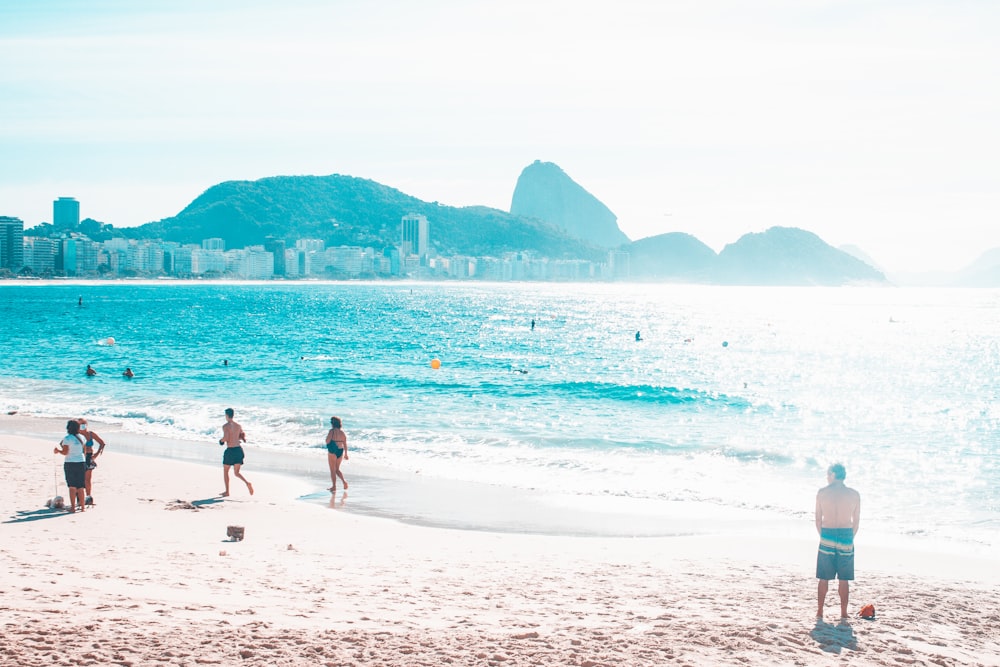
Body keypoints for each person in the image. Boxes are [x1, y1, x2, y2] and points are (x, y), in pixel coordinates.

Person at [815, 463, 861, 621]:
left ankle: (820, 611)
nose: (827, 477)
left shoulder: (822, 493)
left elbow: (818, 520)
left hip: (827, 533)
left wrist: (824, 536)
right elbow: (856, 523)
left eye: (828, 474)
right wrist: (849, 537)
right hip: (846, 535)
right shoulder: (854, 494)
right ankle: (843, 612)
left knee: (824, 577)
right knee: (844, 578)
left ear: (833, 474)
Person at [53, 419, 87, 513]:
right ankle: (83, 507)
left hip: (70, 462)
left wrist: (57, 451)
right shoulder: (82, 437)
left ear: (68, 428)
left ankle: (73, 507)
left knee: (72, 486)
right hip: (81, 462)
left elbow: (65, 452)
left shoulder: (67, 438)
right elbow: (83, 450)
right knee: (80, 486)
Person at [218, 408, 253, 497]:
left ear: (226, 415)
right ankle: (247, 483)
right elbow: (241, 436)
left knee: (226, 471)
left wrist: (221, 441)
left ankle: (227, 492)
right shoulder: (238, 426)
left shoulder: (225, 426)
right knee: (236, 473)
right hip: (239, 450)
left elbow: (226, 438)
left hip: (230, 451)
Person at [77, 418, 107, 505]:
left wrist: (97, 454)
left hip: (89, 457)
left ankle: (88, 497)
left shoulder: (90, 434)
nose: (83, 426)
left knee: (87, 480)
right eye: (81, 424)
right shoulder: (76, 435)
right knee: (79, 479)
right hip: (80, 457)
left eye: (84, 424)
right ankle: (80, 499)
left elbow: (102, 443)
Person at [325, 416, 349, 494]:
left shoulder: (331, 431)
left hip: (333, 451)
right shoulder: (342, 432)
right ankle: (344, 481)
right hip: (340, 451)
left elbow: (327, 441)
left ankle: (334, 486)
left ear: (333, 423)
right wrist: (346, 454)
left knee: (332, 470)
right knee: (337, 469)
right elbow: (345, 444)